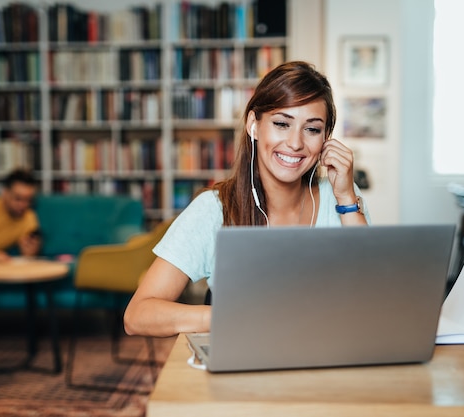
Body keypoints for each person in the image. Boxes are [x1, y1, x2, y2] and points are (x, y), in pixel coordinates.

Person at [124, 61, 371, 338]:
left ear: (326, 138)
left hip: (331, 355)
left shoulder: (342, 199)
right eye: (281, 124)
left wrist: (347, 197)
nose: (295, 143)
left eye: (311, 129)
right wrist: (240, 316)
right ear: (254, 125)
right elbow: (138, 315)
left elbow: (371, 297)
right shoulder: (214, 209)